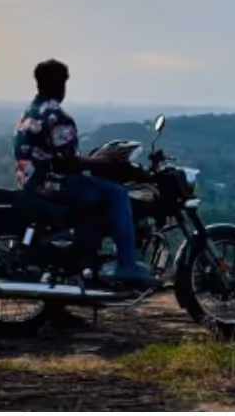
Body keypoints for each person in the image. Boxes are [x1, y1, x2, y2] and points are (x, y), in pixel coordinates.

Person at [14, 59, 160, 290]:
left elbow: (56, 154)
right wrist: (104, 159)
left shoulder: (30, 111)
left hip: (31, 180)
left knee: (95, 197)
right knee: (117, 193)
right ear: (61, 83)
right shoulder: (57, 116)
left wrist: (94, 158)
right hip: (53, 183)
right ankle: (127, 265)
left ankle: (88, 257)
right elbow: (70, 163)